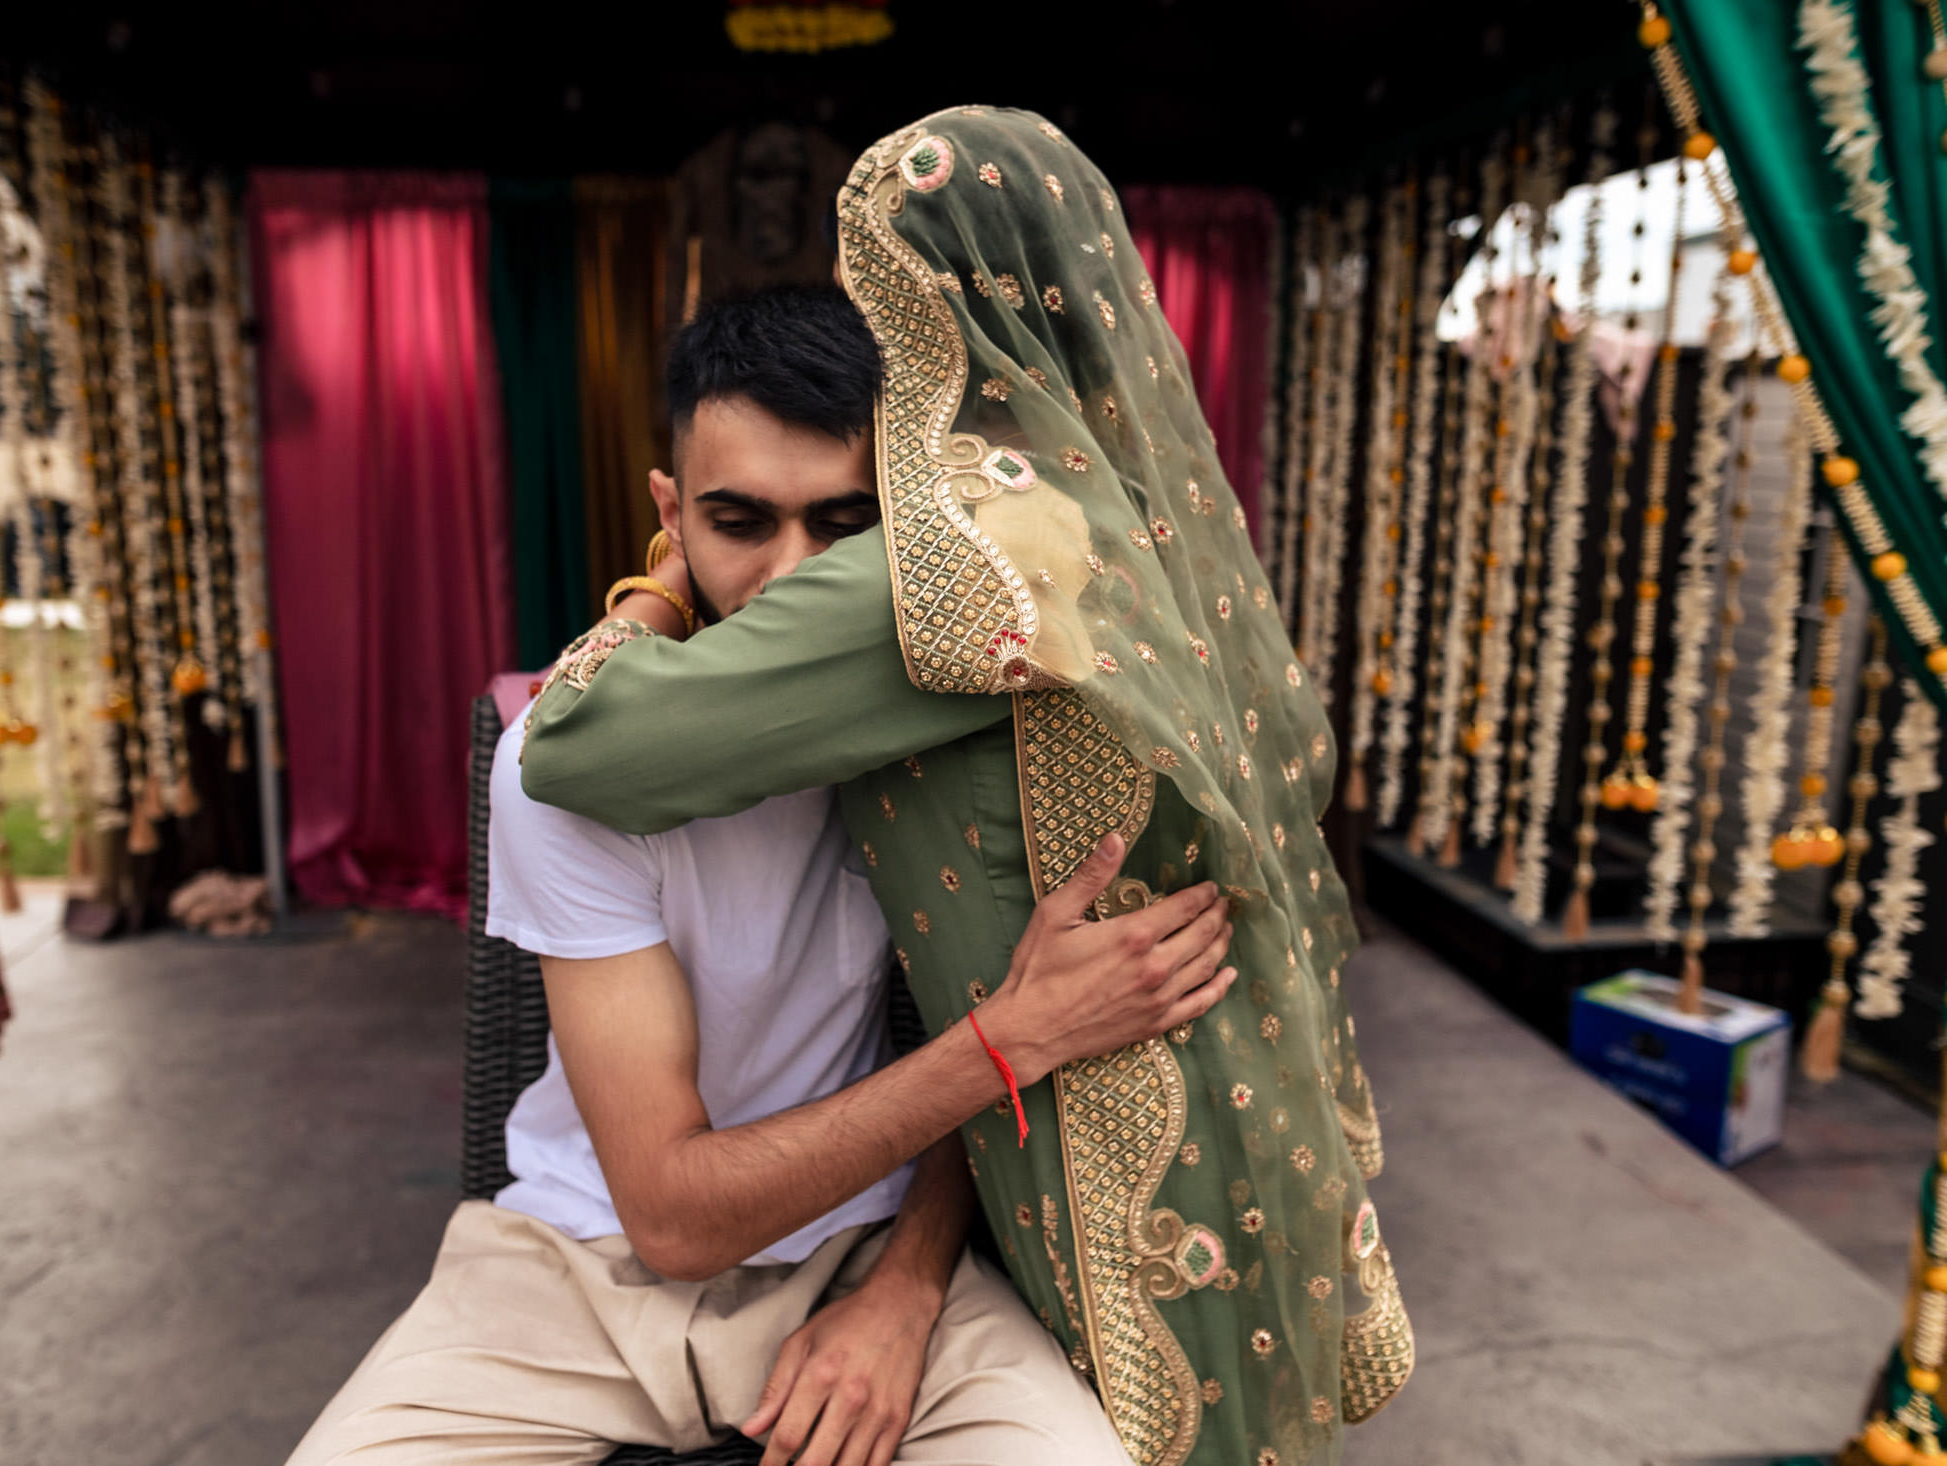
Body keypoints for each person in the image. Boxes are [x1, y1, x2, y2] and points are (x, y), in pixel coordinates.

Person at [522, 108, 1414, 1466]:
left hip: (1101, 1106)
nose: (796, 570)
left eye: (883, 287)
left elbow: (571, 740)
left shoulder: (956, 565)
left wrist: (654, 581)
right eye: (735, 519)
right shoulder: (1114, 518)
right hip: (1225, 1058)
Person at [284, 286, 1241, 1466]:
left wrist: (906, 1287)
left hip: (870, 1244)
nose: (793, 576)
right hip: (573, 1269)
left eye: (845, 526)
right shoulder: (567, 766)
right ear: (671, 515)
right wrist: (1012, 1037)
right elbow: (673, 1216)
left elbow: (965, 1029)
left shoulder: (952, 721)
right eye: (742, 521)